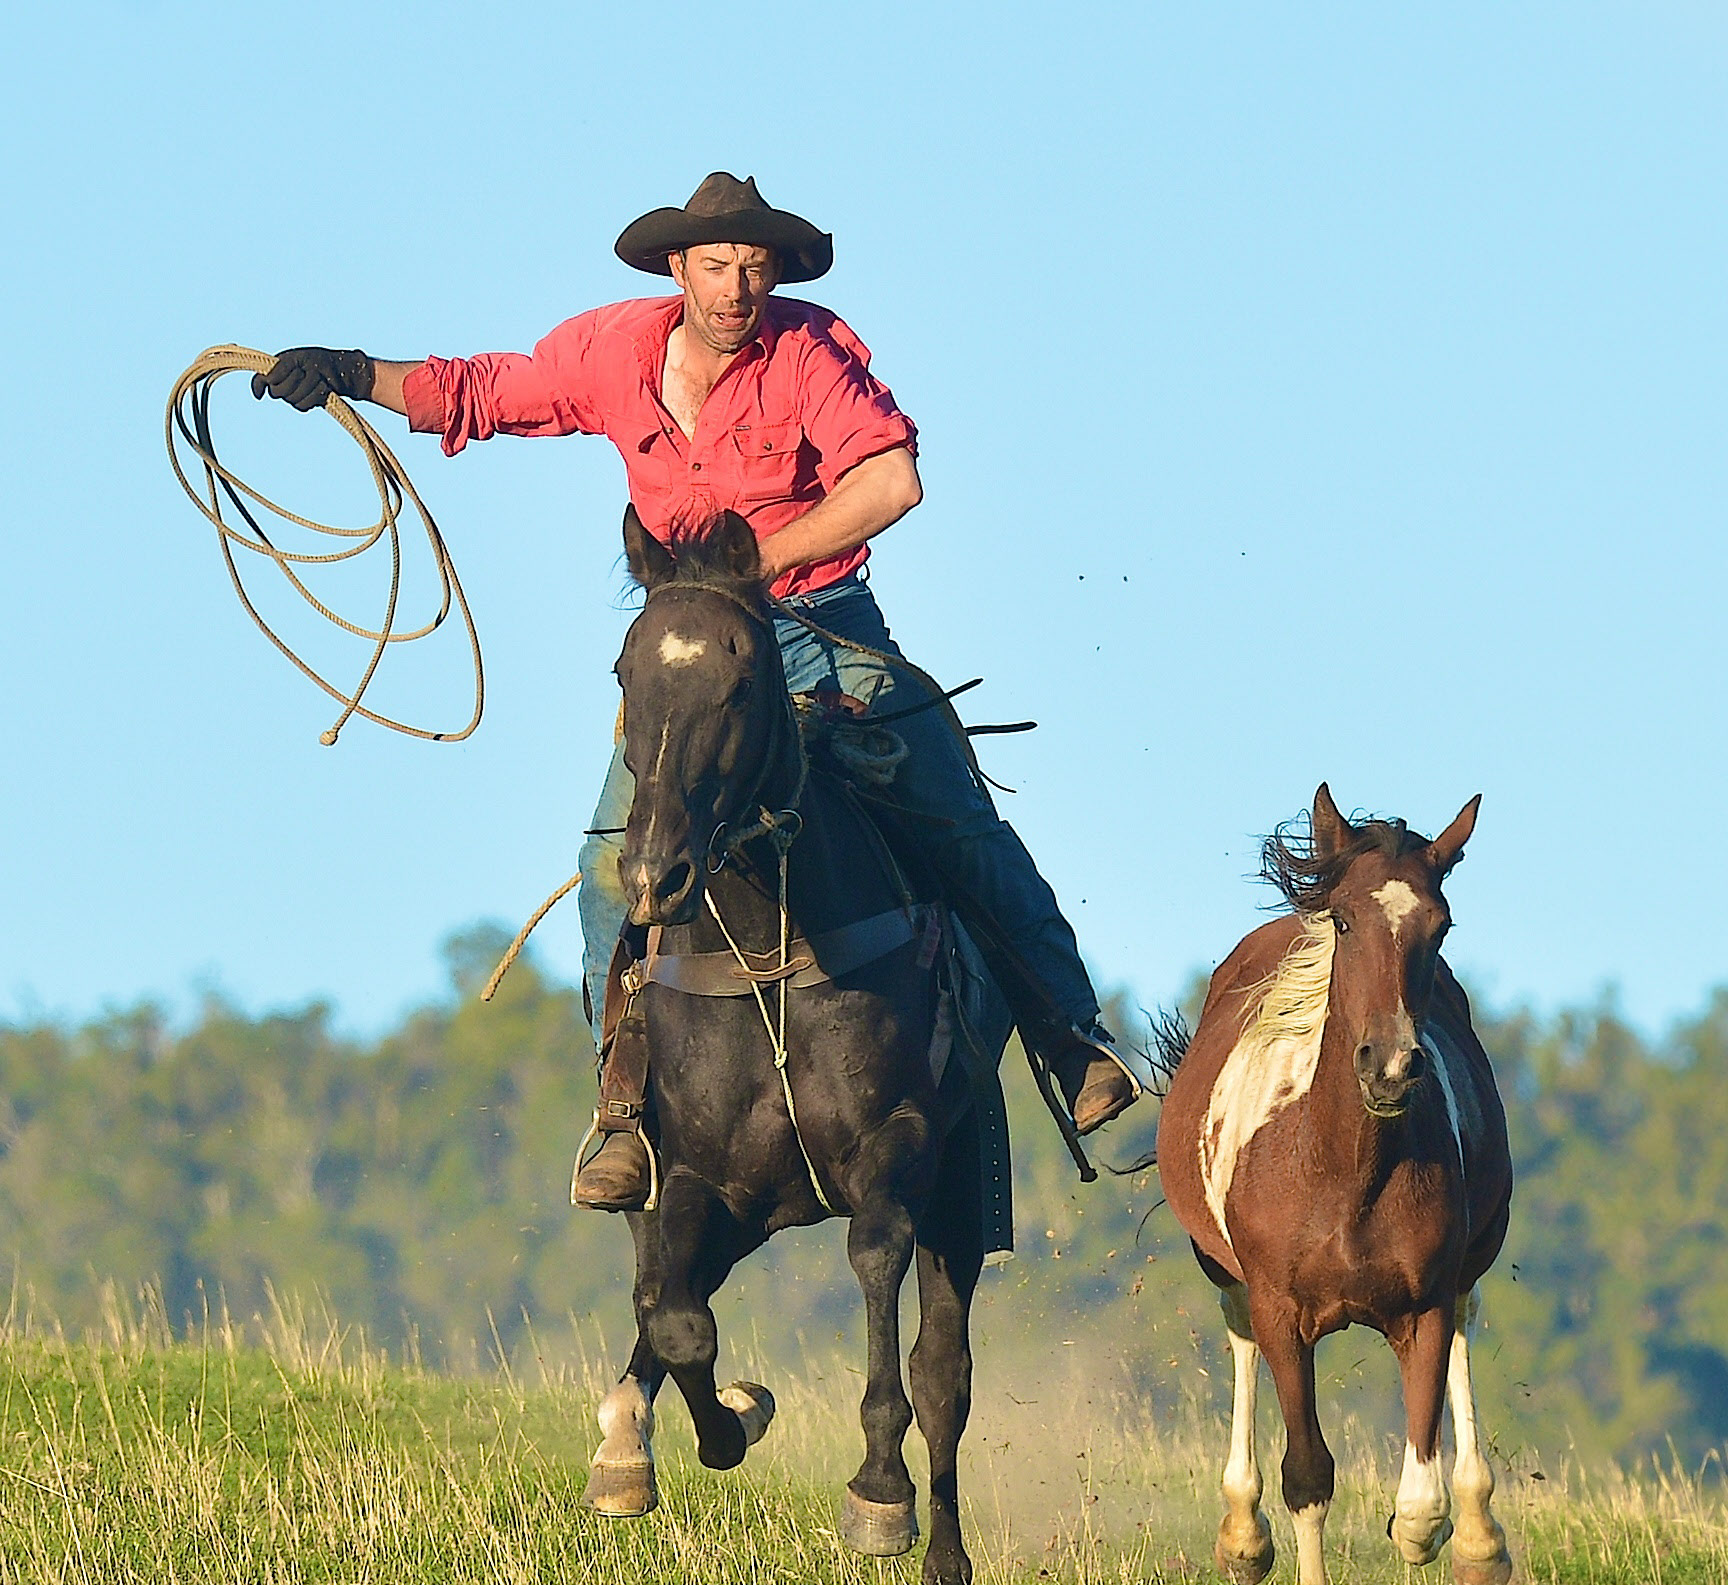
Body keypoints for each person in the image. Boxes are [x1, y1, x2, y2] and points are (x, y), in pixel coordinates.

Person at [255, 171, 1138, 1211]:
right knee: (606, 863)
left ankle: (1065, 1032)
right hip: (684, 659)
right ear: (677, 268)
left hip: (813, 630)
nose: (735, 286)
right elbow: (490, 390)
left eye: (753, 266)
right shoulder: (612, 351)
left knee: (951, 812)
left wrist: (757, 562)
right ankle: (623, 1106)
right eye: (716, 265)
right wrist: (355, 371)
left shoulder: (807, 352)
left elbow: (890, 479)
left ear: (774, 272)